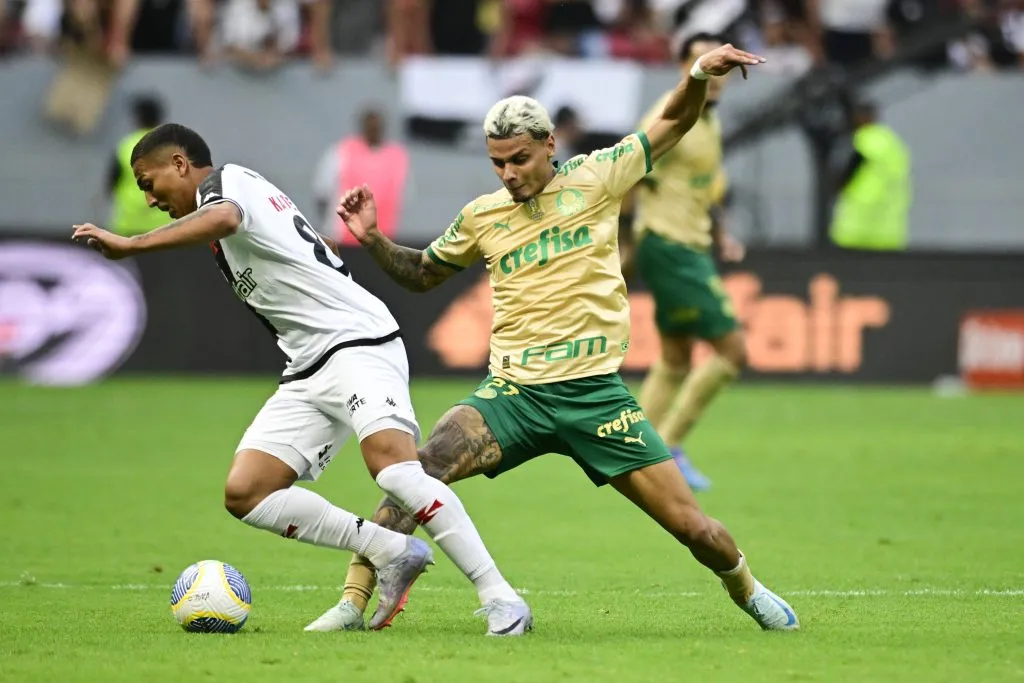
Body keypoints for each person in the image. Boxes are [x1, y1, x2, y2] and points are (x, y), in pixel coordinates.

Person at [307, 44, 800, 634]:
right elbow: (423, 273)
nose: (509, 173)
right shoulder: (482, 217)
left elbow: (672, 121)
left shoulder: (597, 178)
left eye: (519, 158)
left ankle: (747, 589)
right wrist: (374, 237)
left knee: (694, 529)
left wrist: (695, 75)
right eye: (498, 163)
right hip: (514, 396)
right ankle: (353, 600)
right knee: (415, 472)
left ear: (549, 146)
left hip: (597, 398)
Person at [70, 123, 531, 636]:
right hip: (308, 366)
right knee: (247, 491)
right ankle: (389, 550)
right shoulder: (224, 204)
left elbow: (223, 217)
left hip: (357, 342)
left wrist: (131, 244)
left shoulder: (226, 183)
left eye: (148, 182)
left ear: (180, 164)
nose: (149, 198)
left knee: (396, 471)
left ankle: (502, 599)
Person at [620, 33, 748, 493]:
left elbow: (706, 188)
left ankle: (635, 450)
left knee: (675, 358)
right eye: (703, 62)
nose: (717, 73)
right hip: (668, 244)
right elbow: (630, 169)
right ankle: (669, 447)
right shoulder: (667, 114)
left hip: (687, 244)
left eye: (723, 66)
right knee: (733, 351)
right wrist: (627, 243)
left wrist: (723, 233)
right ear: (683, 66)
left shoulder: (707, 119)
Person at [312, 108, 410, 245]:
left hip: (383, 243)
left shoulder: (398, 156)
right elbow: (322, 193)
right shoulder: (341, 151)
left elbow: (403, 196)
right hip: (343, 239)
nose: (374, 130)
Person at [830, 100, 911, 251]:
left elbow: (846, 173)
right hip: (889, 234)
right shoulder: (893, 144)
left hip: (857, 231)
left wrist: (837, 184)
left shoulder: (864, 141)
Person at [106, 95, 169, 236]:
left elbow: (111, 184)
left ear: (137, 118)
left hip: (129, 225)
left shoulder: (125, 146)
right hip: (164, 227)